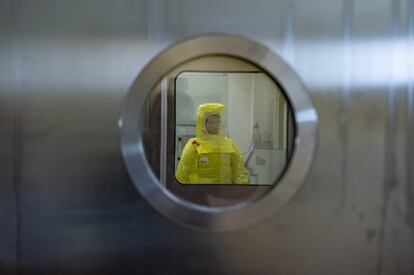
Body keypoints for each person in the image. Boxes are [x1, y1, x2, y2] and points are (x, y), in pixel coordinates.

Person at [176, 103, 249, 184]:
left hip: (225, 193)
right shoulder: (194, 144)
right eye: (211, 123)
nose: (215, 126)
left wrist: (240, 190)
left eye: (218, 122)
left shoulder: (229, 143)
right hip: (201, 193)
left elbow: (240, 171)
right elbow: (182, 174)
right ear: (203, 124)